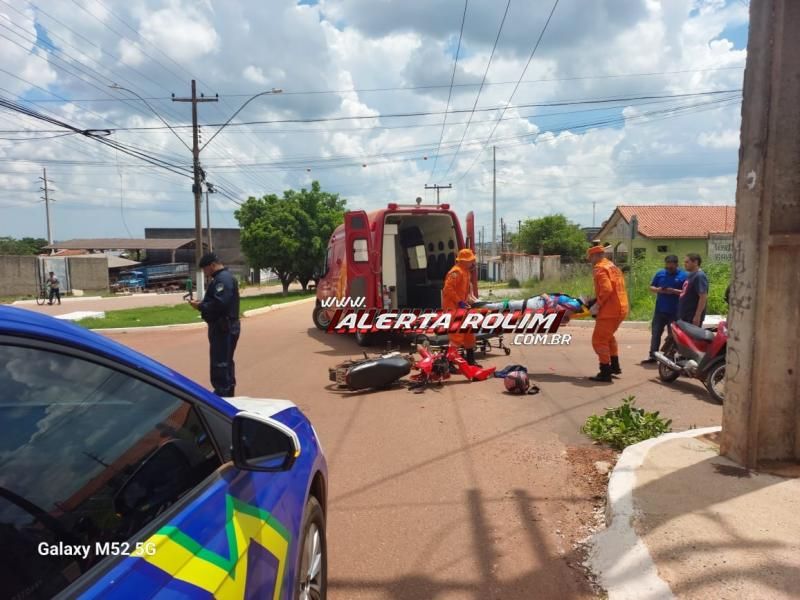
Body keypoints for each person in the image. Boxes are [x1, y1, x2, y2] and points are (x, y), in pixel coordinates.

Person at [189, 253, 240, 397]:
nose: (205, 273)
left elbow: (220, 304)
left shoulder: (222, 279)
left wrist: (200, 306)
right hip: (225, 326)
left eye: (205, 269)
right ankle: (228, 393)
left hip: (223, 327)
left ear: (212, 265)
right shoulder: (223, 278)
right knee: (226, 361)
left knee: (220, 363)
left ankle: (222, 395)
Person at [586, 246, 629, 382]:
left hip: (610, 310)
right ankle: (614, 366)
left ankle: (605, 372)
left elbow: (606, 289)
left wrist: (597, 304)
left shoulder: (600, 268)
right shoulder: (612, 267)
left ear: (595, 256)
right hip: (621, 307)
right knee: (608, 337)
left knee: (599, 340)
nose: (590, 260)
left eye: (590, 257)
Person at [642, 255, 686, 364]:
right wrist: (659, 290)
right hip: (660, 310)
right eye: (667, 265)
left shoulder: (684, 275)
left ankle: (670, 357)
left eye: (671, 266)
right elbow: (651, 287)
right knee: (656, 333)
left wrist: (673, 291)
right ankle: (653, 356)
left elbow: (686, 292)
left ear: (676, 264)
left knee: (673, 336)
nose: (669, 268)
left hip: (675, 311)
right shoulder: (660, 273)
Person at [442, 248, 479, 365]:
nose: (472, 262)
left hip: (462, 307)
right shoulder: (456, 272)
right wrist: (459, 301)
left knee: (469, 333)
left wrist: (468, 300)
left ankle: (471, 361)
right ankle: (448, 363)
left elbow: (464, 290)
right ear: (464, 261)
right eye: (470, 260)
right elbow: (447, 289)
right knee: (456, 336)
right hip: (453, 308)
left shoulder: (466, 272)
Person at [678, 253, 709, 326]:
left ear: (695, 262)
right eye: (684, 262)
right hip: (685, 315)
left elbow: (703, 297)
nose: (684, 264)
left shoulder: (699, 276)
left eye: (687, 262)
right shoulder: (690, 275)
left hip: (691, 316)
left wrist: (697, 316)